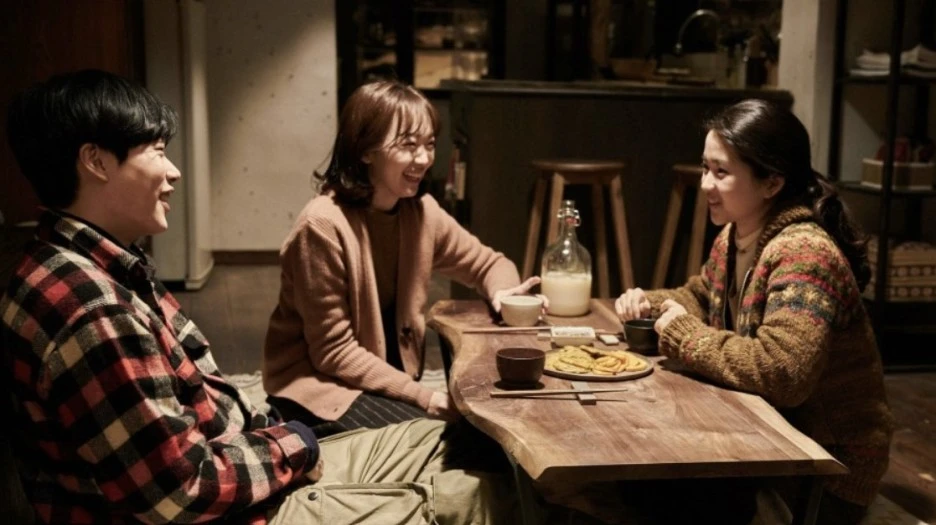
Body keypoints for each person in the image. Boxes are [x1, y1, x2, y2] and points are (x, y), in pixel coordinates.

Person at [1, 69, 514, 525]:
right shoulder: (93, 310)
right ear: (95, 161)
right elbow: (180, 492)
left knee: (473, 442)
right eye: (157, 151)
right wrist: (295, 445)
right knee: (476, 496)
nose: (174, 171)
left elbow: (486, 262)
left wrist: (274, 442)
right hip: (249, 495)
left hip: (249, 456)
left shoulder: (98, 266)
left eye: (429, 144)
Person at [615, 99, 893, 524]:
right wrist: (650, 305)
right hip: (767, 440)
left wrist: (684, 335)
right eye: (705, 168)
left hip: (824, 470)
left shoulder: (804, 253)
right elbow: (703, 296)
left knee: (654, 492)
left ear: (772, 183)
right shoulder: (735, 235)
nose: (706, 184)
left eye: (721, 172)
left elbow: (783, 372)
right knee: (635, 479)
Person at [263, 80, 541, 437]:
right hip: (318, 388)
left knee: (492, 428)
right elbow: (333, 352)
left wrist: (503, 294)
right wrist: (426, 398)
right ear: (366, 150)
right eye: (408, 145)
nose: (423, 159)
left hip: (379, 379)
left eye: (429, 144)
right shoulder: (321, 226)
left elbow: (490, 264)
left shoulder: (421, 213)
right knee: (450, 440)